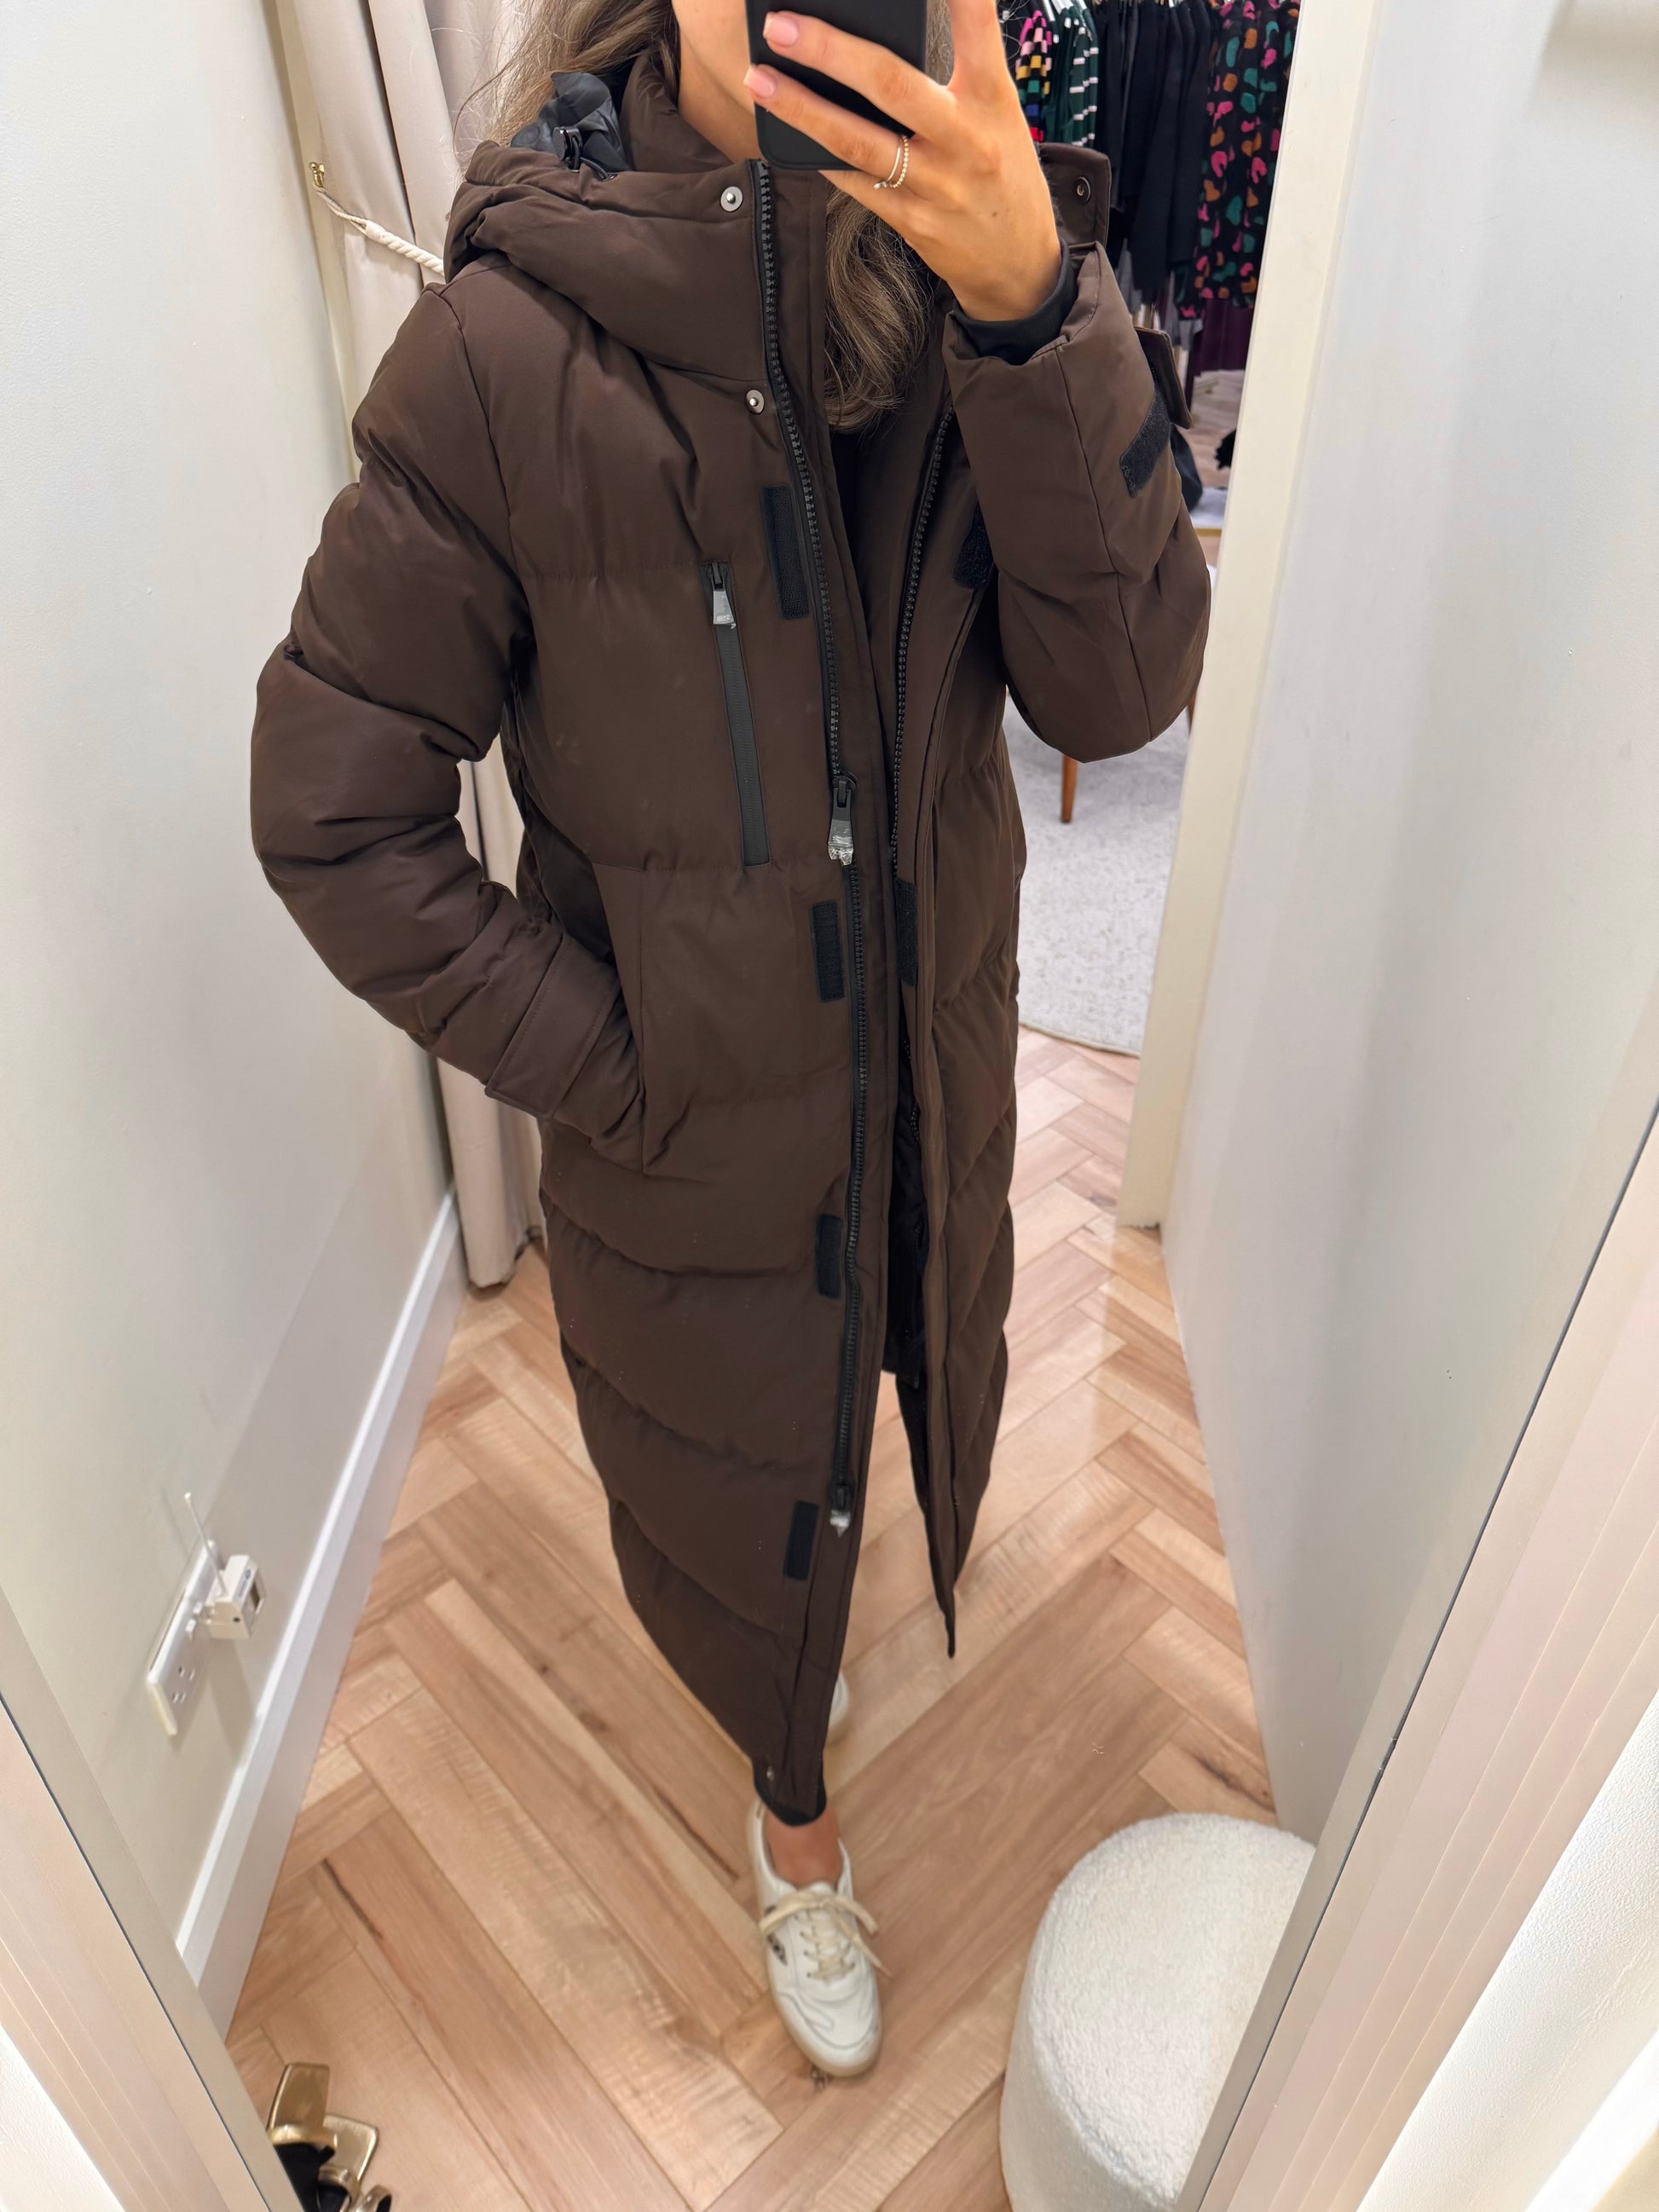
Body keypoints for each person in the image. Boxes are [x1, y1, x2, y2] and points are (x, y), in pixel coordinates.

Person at [251, 0, 1208, 2078]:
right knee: (738, 1502)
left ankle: (826, 1625)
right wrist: (616, 1066)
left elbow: (1120, 693)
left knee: (882, 1384)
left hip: (931, 1074)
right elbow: (335, 815)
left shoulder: (994, 287)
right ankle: (792, 1821)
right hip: (690, 1160)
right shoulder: (507, 352)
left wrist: (1034, 310)